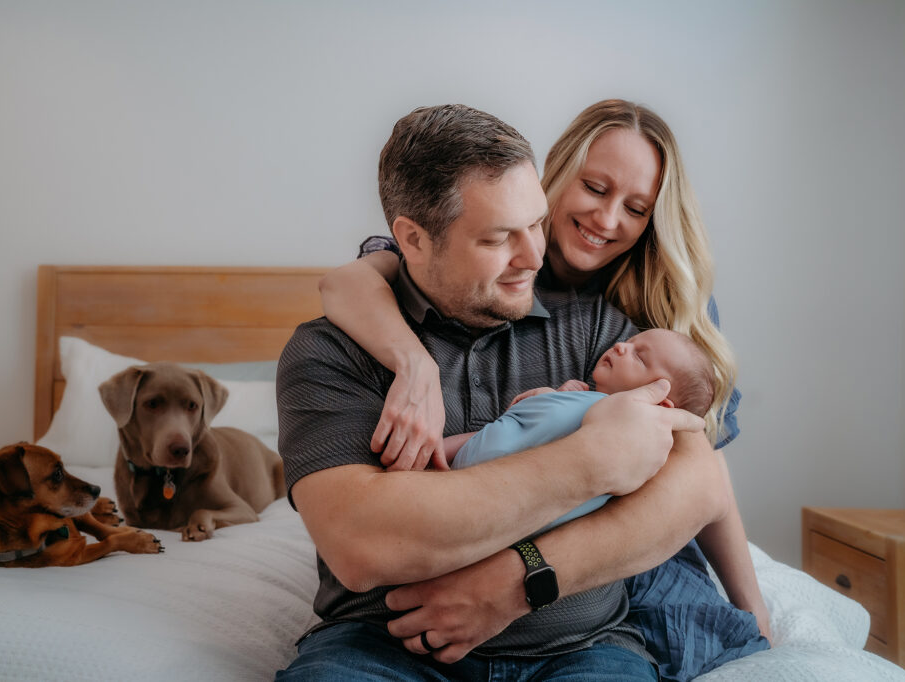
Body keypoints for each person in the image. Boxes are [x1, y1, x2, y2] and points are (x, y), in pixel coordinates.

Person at [317, 100, 769, 680]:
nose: (607, 220)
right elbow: (346, 283)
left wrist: (751, 604)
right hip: (458, 569)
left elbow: (703, 475)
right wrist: (415, 364)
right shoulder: (442, 260)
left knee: (694, 636)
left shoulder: (648, 312)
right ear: (550, 176)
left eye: (635, 207)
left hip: (632, 529)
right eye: (595, 188)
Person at [442, 329, 768, 651]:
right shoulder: (581, 395)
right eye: (629, 342)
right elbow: (528, 428)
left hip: (506, 518)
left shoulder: (639, 447)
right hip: (471, 466)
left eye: (639, 356)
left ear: (660, 404)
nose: (621, 346)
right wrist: (558, 395)